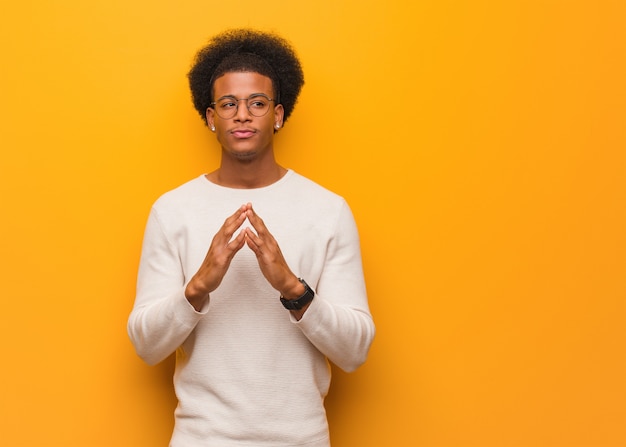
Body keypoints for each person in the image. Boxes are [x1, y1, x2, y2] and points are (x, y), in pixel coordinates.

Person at [127, 28, 375, 447]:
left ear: (277, 115)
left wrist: (292, 288)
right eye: (229, 104)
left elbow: (355, 352)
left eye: (257, 103)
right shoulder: (172, 211)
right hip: (201, 438)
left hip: (301, 439)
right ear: (210, 118)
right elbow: (146, 346)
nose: (242, 115)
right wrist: (198, 287)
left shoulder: (328, 210)